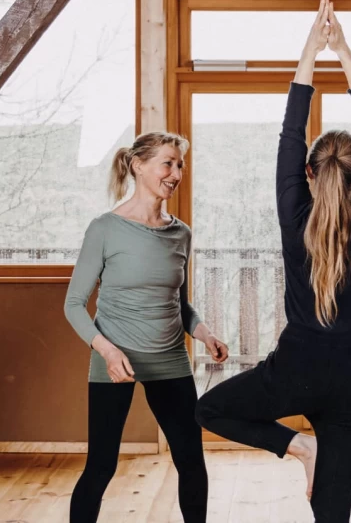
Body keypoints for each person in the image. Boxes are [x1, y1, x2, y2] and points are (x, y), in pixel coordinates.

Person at [195, 0, 351, 522]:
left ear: (308, 173)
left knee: (208, 409)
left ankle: (298, 448)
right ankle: (309, 455)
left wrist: (311, 50)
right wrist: (343, 50)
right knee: (332, 515)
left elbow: (290, 133)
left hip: (298, 367)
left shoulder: (294, 215)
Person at [64, 132, 229, 523]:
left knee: (191, 461)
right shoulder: (105, 229)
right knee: (101, 466)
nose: (176, 173)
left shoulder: (181, 233)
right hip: (114, 360)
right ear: (139, 166)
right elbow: (73, 305)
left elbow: (179, 301)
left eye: (180, 165)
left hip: (170, 361)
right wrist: (106, 350)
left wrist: (203, 333)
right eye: (167, 163)